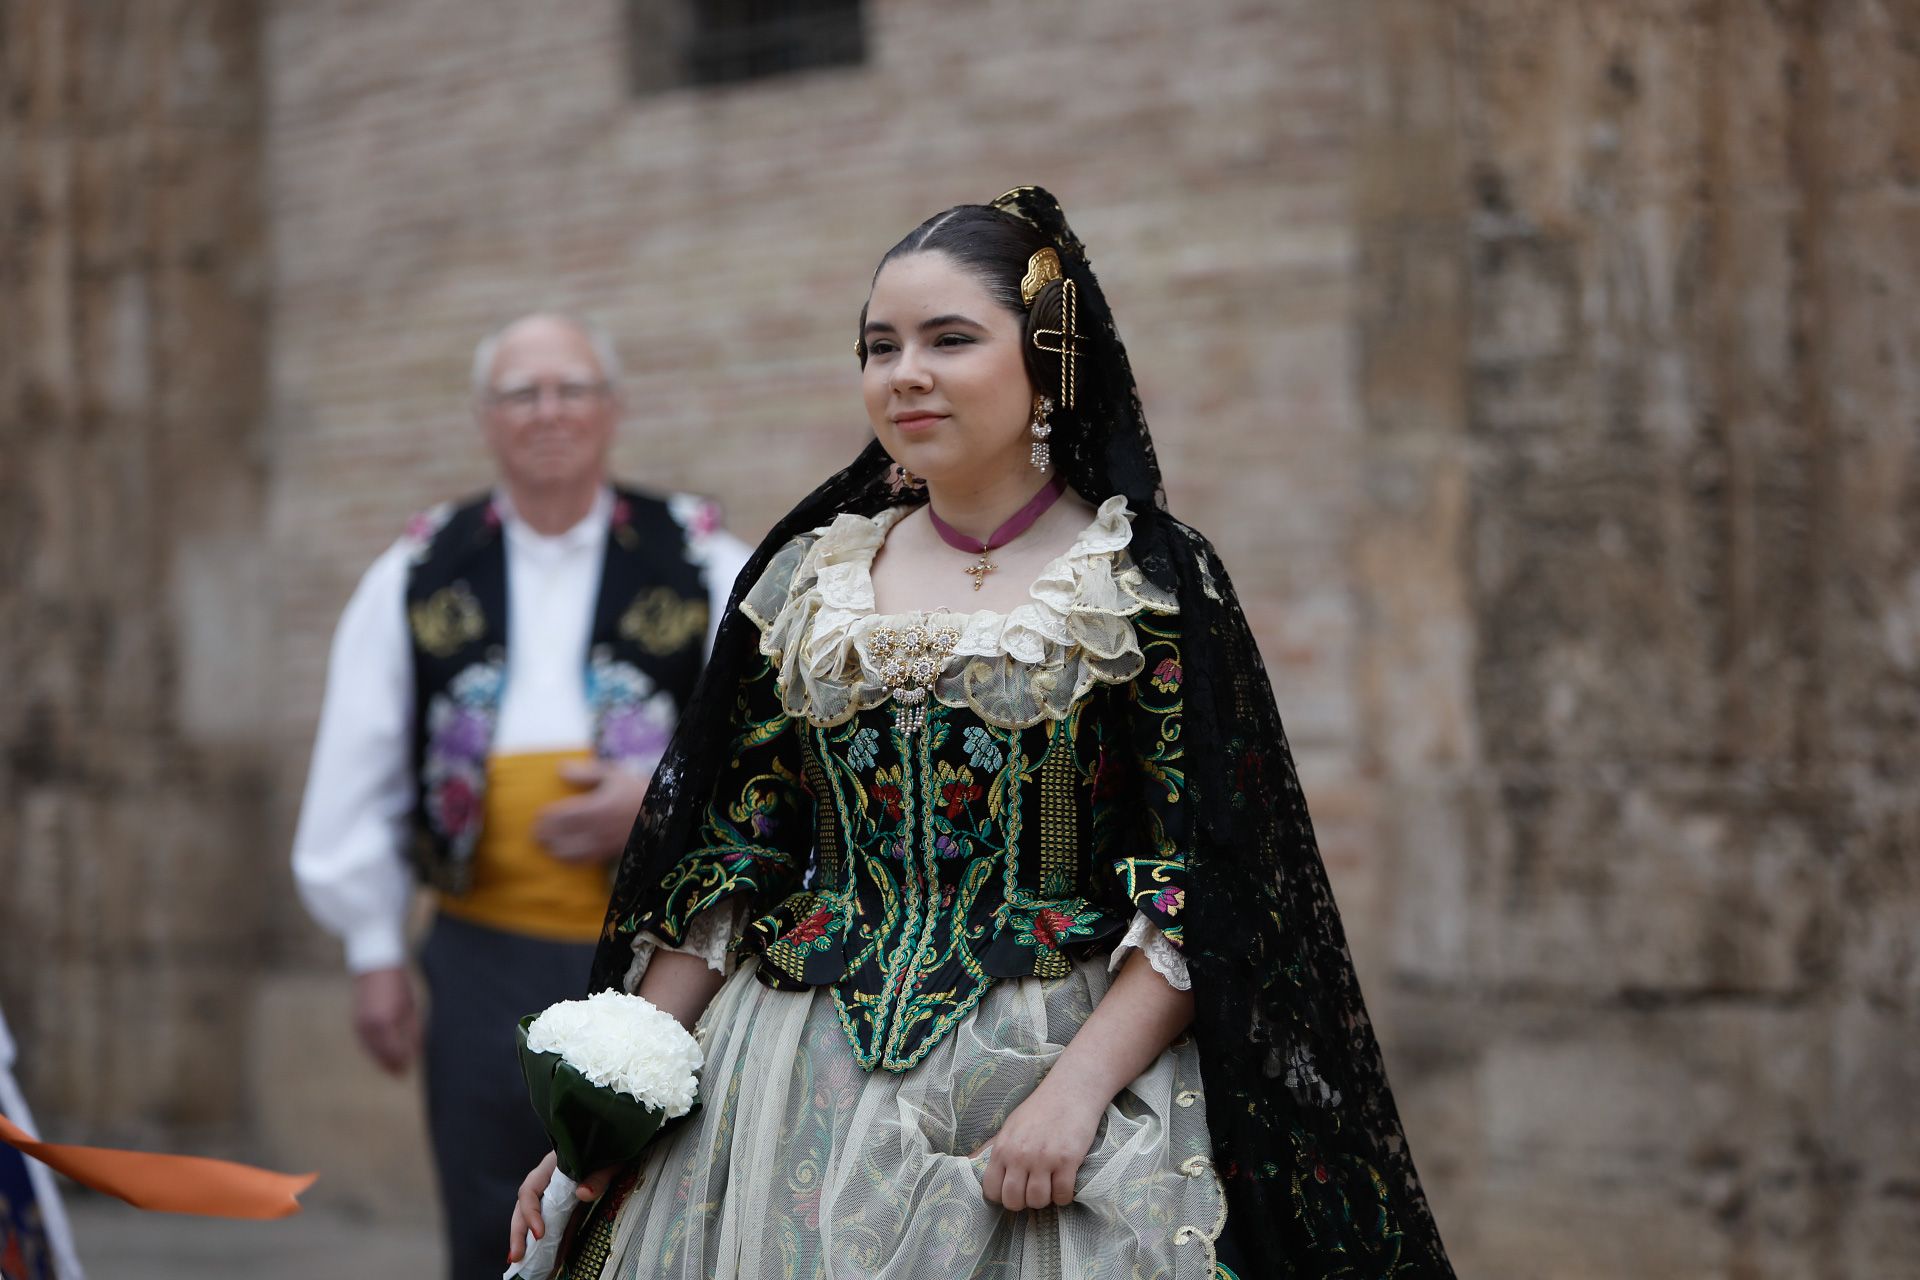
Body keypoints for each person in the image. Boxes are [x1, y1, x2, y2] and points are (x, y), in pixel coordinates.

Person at [509, 190, 1454, 1279]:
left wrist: (1078, 1090)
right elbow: (730, 865)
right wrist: (609, 1100)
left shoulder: (1140, 584)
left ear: (1049, 358)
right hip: (776, 1089)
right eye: (879, 345)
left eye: (950, 338)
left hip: (1051, 1068)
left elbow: (1200, 880)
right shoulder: (804, 583)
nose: (905, 371)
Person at [291, 312, 750, 1279]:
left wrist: (655, 803)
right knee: (486, 1208)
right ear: (484, 417)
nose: (548, 412)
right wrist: (373, 949)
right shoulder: (419, 568)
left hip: (657, 957)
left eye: (571, 388)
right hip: (481, 956)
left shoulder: (702, 556)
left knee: (647, 1208)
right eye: (521, 392)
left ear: (612, 408)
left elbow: (766, 756)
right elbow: (357, 765)